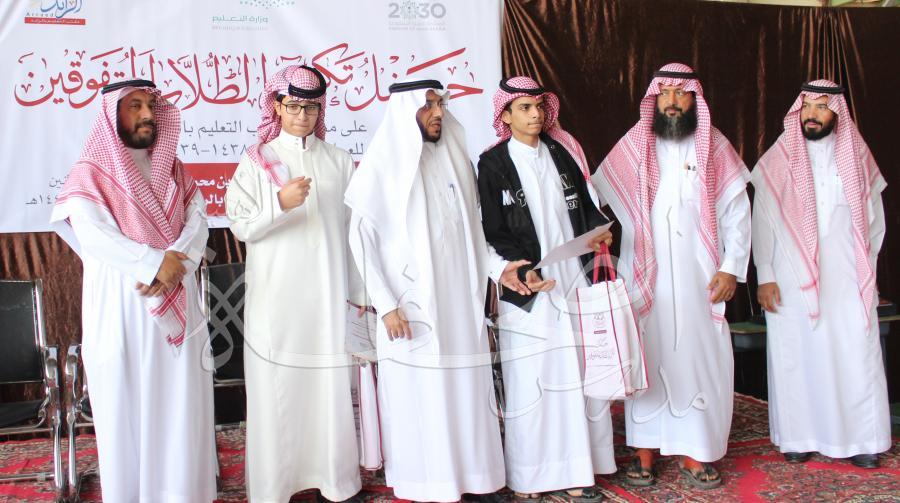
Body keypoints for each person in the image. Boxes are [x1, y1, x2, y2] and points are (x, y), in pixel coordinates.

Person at [345, 79, 523, 502]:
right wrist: (387, 305)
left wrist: (499, 270)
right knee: (423, 397)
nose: (438, 112)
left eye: (440, 103)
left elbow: (473, 232)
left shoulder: (456, 157)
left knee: (467, 391)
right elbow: (360, 240)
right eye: (427, 105)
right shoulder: (383, 165)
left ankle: (476, 478)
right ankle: (429, 485)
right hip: (411, 308)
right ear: (405, 110)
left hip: (460, 302)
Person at [50, 79, 216, 502]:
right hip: (122, 307)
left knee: (180, 406)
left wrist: (176, 261)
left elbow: (198, 219)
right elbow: (93, 233)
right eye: (134, 106)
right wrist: (153, 263)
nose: (146, 115)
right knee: (127, 407)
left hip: (179, 301)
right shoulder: (90, 174)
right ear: (112, 115)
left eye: (150, 106)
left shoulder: (173, 169)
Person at [591, 63, 751, 489]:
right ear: (655, 100)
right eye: (665, 94)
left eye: (682, 94)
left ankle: (695, 450)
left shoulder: (714, 147)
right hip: (645, 276)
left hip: (702, 279)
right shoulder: (634, 145)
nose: (673, 102)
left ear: (695, 100)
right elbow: (596, 196)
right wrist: (597, 231)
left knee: (699, 358)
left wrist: (731, 266)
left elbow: (737, 212)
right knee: (650, 356)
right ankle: (644, 450)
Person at [225, 65, 366, 502]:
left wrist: (359, 294)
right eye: (293, 106)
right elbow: (241, 225)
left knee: (328, 389)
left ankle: (335, 482)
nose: (302, 116)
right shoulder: (257, 161)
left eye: (311, 108)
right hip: (277, 304)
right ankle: (276, 487)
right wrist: (279, 203)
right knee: (279, 393)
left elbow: (353, 233)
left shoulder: (339, 160)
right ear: (276, 107)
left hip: (328, 299)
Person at [477, 76, 616, 501]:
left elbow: (588, 210)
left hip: (572, 278)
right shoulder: (493, 164)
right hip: (527, 287)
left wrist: (600, 233)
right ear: (505, 115)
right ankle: (531, 476)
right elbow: (489, 231)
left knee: (578, 373)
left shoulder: (561, 152)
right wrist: (517, 272)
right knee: (533, 380)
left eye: (539, 106)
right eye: (524, 108)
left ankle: (580, 469)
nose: (535, 114)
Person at [751, 79, 890, 469]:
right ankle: (799, 437)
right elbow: (762, 220)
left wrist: (867, 269)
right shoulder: (779, 159)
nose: (812, 115)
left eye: (821, 107)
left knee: (855, 352)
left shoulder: (857, 157)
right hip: (790, 276)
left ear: (837, 113)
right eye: (807, 107)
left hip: (847, 276)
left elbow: (875, 223)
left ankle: (863, 440)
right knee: (797, 354)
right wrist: (765, 274)